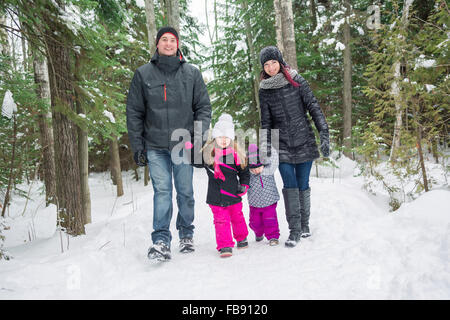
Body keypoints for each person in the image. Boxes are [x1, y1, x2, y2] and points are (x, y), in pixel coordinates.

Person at [126, 26, 211, 261]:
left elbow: (203, 107)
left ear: (178, 45)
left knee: (185, 192)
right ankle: (161, 240)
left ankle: (186, 234)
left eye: (172, 40)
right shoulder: (143, 74)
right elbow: (134, 112)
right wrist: (138, 146)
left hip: (183, 145)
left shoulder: (191, 73)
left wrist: (198, 138)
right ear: (157, 44)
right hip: (154, 146)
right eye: (164, 39)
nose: (168, 43)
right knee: (162, 192)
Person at [258, 46, 330, 248]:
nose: (271, 67)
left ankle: (305, 225)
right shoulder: (264, 90)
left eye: (274, 62)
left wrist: (323, 133)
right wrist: (265, 148)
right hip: (281, 144)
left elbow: (313, 106)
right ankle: (294, 231)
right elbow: (266, 122)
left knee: (302, 183)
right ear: (263, 68)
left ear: (280, 62)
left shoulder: (297, 80)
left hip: (304, 139)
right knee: (289, 184)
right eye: (267, 64)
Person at [194, 114, 250, 258]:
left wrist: (244, 184)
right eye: (220, 137)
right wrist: (193, 149)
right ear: (214, 137)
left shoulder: (236, 153)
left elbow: (244, 171)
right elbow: (197, 162)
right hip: (216, 195)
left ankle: (241, 237)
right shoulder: (209, 153)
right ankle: (225, 245)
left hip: (233, 194)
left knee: (237, 216)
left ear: (231, 138)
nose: (223, 140)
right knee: (221, 220)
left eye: (226, 137)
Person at [247, 143, 280, 246]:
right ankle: (258, 233)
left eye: (258, 167)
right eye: (253, 169)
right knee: (254, 222)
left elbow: (274, 159)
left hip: (269, 201)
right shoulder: (249, 175)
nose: (256, 170)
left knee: (270, 220)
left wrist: (269, 145)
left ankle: (273, 236)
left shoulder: (268, 170)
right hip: (254, 203)